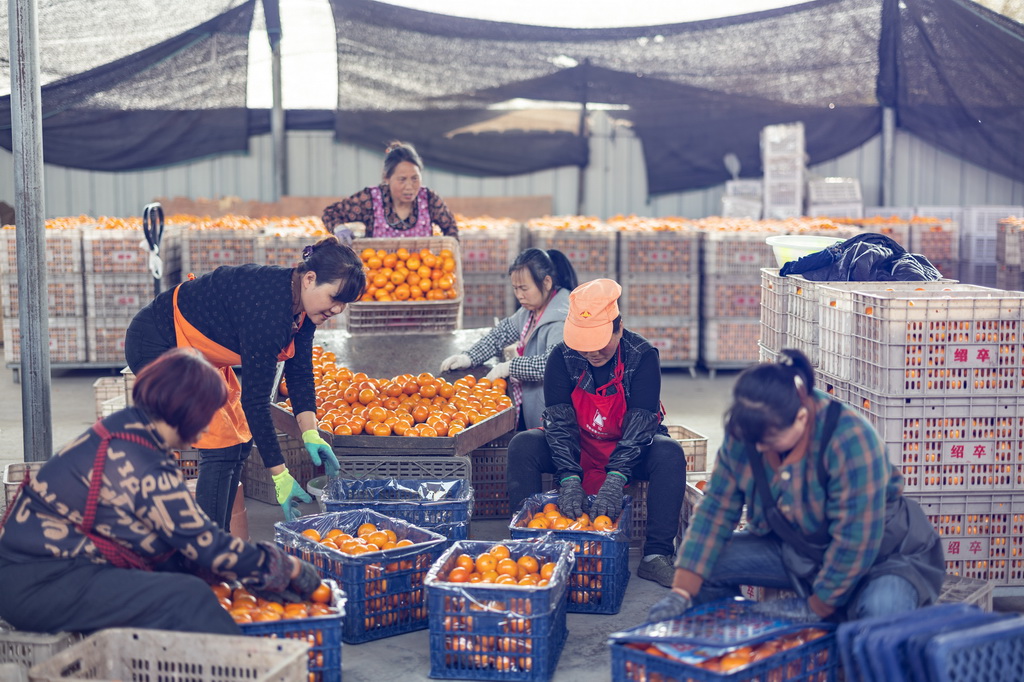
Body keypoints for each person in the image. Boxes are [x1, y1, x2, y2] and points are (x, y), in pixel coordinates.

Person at [0, 349, 323, 635]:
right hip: (38, 586)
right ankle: (255, 669)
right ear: (189, 412)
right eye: (210, 412)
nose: (209, 425)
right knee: (187, 596)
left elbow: (168, 538)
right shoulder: (139, 459)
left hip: (46, 573)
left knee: (182, 574)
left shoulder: (126, 429)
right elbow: (204, 543)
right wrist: (285, 566)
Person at [649, 349, 945, 624]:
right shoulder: (750, 430)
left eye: (770, 441)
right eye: (755, 442)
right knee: (707, 565)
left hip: (881, 557)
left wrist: (816, 607)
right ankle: (734, 650)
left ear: (801, 418)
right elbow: (716, 510)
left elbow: (855, 539)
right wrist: (683, 588)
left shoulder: (850, 439)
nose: (760, 449)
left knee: (880, 617)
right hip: (802, 550)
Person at [124, 235, 365, 527]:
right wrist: (280, 476)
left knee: (237, 442)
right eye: (335, 298)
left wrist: (310, 433)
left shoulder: (300, 309)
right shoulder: (268, 312)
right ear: (309, 279)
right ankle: (206, 552)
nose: (338, 309)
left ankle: (218, 540)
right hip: (159, 344)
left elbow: (299, 372)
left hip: (199, 355)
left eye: (345, 304)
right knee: (220, 447)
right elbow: (256, 403)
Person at [506, 278, 687, 587]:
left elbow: (641, 426)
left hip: (628, 446)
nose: (592, 352)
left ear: (619, 327)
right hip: (578, 446)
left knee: (670, 454)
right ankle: (528, 546)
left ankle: (656, 556)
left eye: (600, 342)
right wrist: (569, 478)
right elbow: (560, 424)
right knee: (523, 445)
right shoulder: (562, 357)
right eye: (584, 344)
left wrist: (616, 478)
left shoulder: (640, 356)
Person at [438, 248, 578, 430]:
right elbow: (501, 334)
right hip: (536, 406)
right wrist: (469, 357)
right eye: (515, 288)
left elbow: (552, 365)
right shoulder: (531, 310)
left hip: (556, 415)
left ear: (547, 282)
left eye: (524, 288)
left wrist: (511, 367)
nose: (519, 295)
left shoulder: (562, 318)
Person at [321, 140, 458, 242]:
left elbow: (451, 227)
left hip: (422, 278)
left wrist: (447, 253)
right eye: (402, 179)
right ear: (386, 177)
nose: (409, 186)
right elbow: (331, 213)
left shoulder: (429, 199)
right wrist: (340, 229)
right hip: (380, 276)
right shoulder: (371, 199)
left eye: (415, 178)